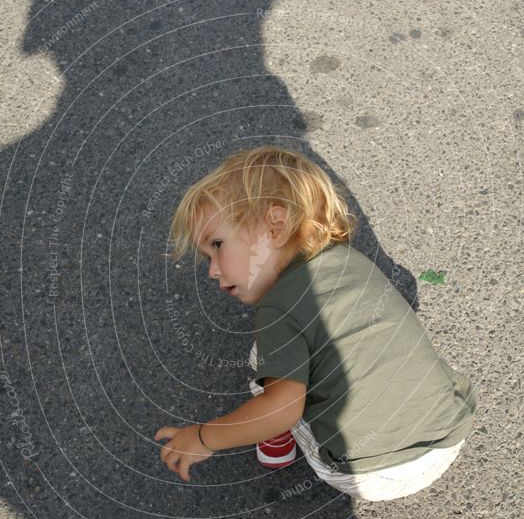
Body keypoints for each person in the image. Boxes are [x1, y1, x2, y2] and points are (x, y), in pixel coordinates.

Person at [155, 147, 477, 500]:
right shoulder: (350, 261)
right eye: (207, 257)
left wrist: (204, 437)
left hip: (372, 472)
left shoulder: (277, 308)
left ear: (276, 226)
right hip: (450, 434)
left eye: (217, 245)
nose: (213, 270)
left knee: (261, 363)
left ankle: (277, 445)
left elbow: (282, 409)